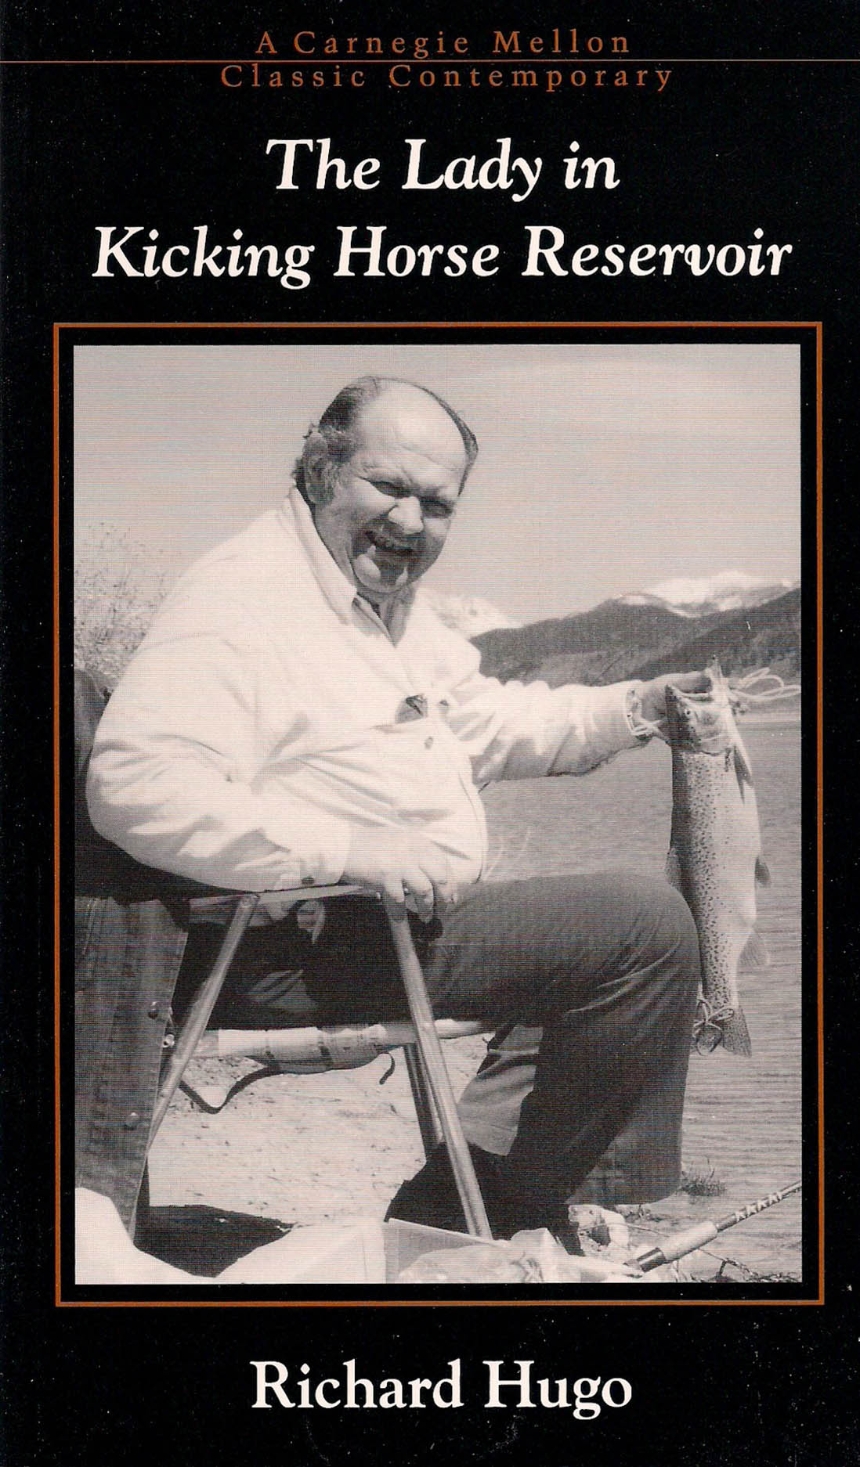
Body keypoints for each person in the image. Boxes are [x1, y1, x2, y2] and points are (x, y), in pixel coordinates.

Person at [84, 374, 703, 1242]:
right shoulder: (241, 599)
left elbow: (489, 722)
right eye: (389, 486)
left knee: (604, 941)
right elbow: (133, 780)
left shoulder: (380, 607)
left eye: (437, 504)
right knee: (643, 930)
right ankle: (505, 1214)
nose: (410, 522)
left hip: (380, 930)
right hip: (286, 944)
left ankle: (456, 1208)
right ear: (320, 467)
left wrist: (637, 708)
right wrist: (348, 846)